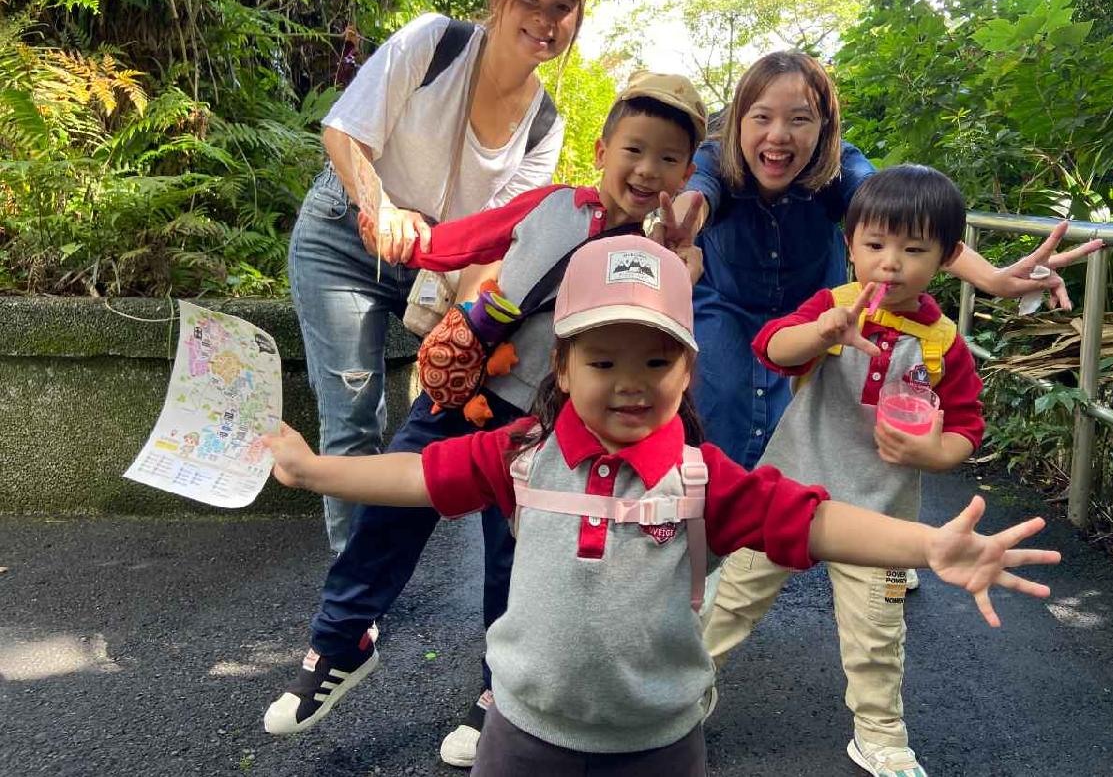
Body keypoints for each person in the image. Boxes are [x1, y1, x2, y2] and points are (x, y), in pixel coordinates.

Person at [262, 233, 1061, 777]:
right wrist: (317, 471)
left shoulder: (703, 478)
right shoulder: (522, 454)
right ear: (562, 368)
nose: (630, 383)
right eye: (602, 360)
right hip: (519, 734)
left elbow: (813, 520)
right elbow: (419, 478)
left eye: (655, 361)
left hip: (660, 746)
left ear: (687, 372)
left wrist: (929, 546)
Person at [264, 72, 710, 768]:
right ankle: (341, 640)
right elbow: (469, 240)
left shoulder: (655, 257)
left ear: (685, 174)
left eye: (668, 158)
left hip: (542, 418)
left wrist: (679, 260)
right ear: (602, 149)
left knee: (518, 556)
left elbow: (665, 324)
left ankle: (499, 690)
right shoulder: (552, 204)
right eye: (634, 149)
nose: (647, 170)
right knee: (390, 508)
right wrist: (406, 240)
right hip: (462, 383)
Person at [289, 0, 587, 554]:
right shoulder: (435, 42)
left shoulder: (545, 124)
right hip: (345, 236)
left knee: (452, 407)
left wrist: (468, 329)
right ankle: (352, 585)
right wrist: (382, 209)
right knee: (353, 413)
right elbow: (343, 132)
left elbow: (499, 239)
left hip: (439, 267)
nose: (545, 19)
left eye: (562, 7)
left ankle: (381, 566)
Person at [659, 51, 1101, 471]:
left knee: (803, 424)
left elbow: (901, 217)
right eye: (761, 117)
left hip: (822, 315)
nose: (778, 135)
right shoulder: (714, 157)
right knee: (718, 405)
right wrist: (682, 226)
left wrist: (994, 279)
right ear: (739, 121)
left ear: (824, 128)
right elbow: (697, 198)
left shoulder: (839, 167)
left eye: (799, 119)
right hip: (727, 309)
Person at [704, 164, 984, 777]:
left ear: (947, 256)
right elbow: (770, 348)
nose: (890, 264)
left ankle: (880, 734)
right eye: (874, 244)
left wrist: (932, 454)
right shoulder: (833, 306)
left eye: (914, 250)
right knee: (728, 603)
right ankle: (686, 692)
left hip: (880, 516)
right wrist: (818, 332)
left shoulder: (943, 344)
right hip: (785, 491)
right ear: (849, 244)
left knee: (877, 633)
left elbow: (965, 428)